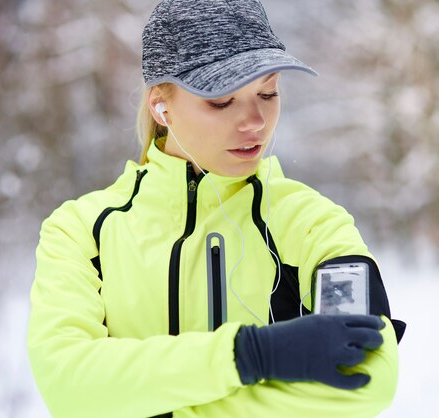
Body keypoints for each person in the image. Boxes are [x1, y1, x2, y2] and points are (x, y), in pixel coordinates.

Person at [27, 1, 405, 417]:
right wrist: (254, 355)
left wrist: (144, 401)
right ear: (160, 106)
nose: (255, 121)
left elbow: (369, 378)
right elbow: (68, 385)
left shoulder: (311, 222)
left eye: (268, 92)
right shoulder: (81, 231)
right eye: (222, 101)